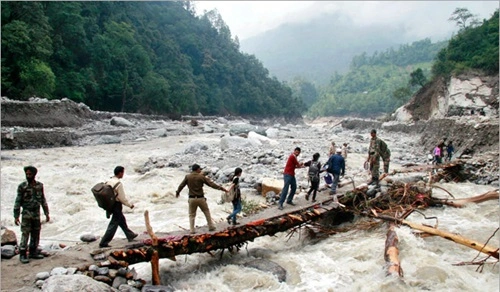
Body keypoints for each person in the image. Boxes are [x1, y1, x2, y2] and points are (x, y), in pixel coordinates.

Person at [176, 164, 228, 234]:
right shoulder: (201, 177)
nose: (200, 170)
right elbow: (211, 184)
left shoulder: (188, 177)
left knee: (192, 215)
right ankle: (211, 226)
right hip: (200, 198)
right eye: (199, 169)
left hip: (192, 199)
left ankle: (192, 230)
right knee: (206, 211)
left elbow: (181, 185)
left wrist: (177, 192)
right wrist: (221, 188)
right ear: (197, 169)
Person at [14, 166, 50, 264]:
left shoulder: (39, 186)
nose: (28, 176)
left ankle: (33, 251)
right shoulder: (22, 186)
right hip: (26, 213)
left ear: (34, 174)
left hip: (36, 213)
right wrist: (16, 216)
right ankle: (22, 253)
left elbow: (43, 200)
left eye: (30, 174)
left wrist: (46, 213)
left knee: (36, 232)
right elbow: (17, 201)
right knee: (25, 233)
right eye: (27, 174)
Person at [99, 166, 138, 248]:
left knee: (121, 220)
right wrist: (130, 205)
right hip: (116, 205)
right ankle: (104, 242)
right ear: (120, 173)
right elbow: (121, 198)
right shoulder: (118, 184)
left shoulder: (109, 181)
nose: (123, 174)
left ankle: (130, 235)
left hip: (110, 204)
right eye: (123, 172)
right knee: (114, 224)